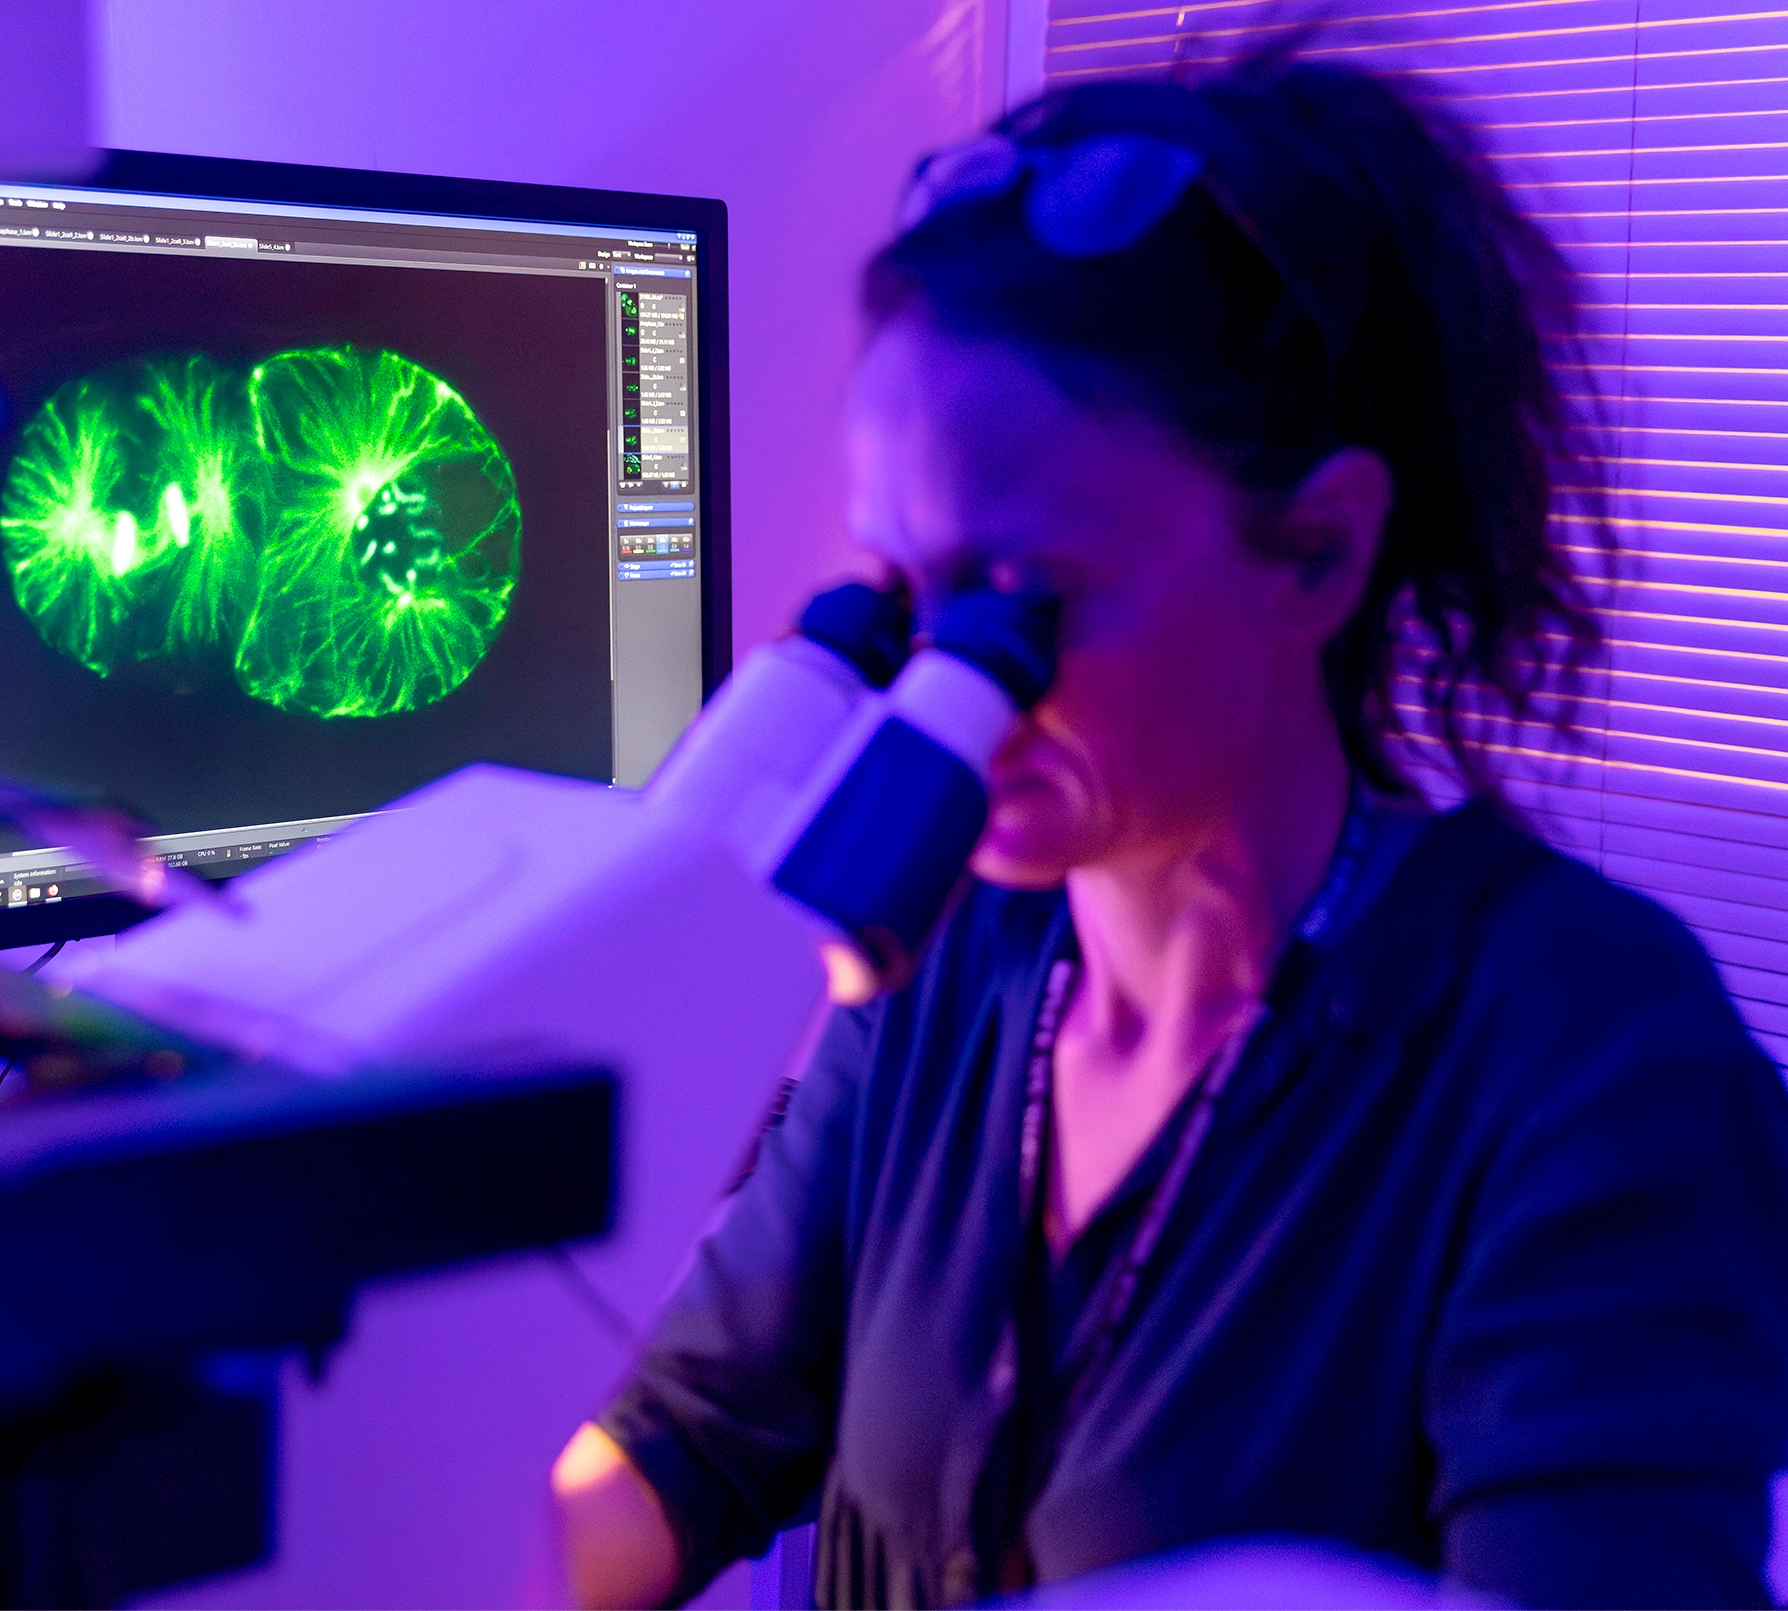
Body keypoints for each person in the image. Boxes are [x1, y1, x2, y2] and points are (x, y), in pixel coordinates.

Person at [547, 44, 1788, 1611]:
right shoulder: (941, 957)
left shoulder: (1586, 1050)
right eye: (905, 595)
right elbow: (693, 1434)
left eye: (1026, 605)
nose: (951, 686)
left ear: (1319, 555)